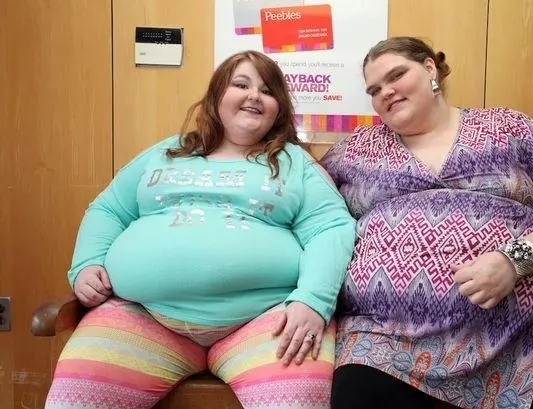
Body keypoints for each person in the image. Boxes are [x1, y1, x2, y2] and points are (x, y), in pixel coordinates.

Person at [45, 50, 356, 409]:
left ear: (279, 109)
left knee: (295, 403)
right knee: (74, 400)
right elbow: (108, 208)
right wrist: (86, 263)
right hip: (144, 314)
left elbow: (331, 227)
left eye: (267, 90)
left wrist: (313, 300)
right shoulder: (168, 152)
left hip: (265, 318)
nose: (254, 95)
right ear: (216, 96)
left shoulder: (294, 162)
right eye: (241, 84)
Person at [321, 36, 533, 409]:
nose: (385, 92)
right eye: (374, 90)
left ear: (430, 69)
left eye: (396, 76)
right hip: (385, 340)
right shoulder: (353, 150)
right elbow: (301, 207)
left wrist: (512, 262)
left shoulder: (510, 127)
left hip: (530, 326)